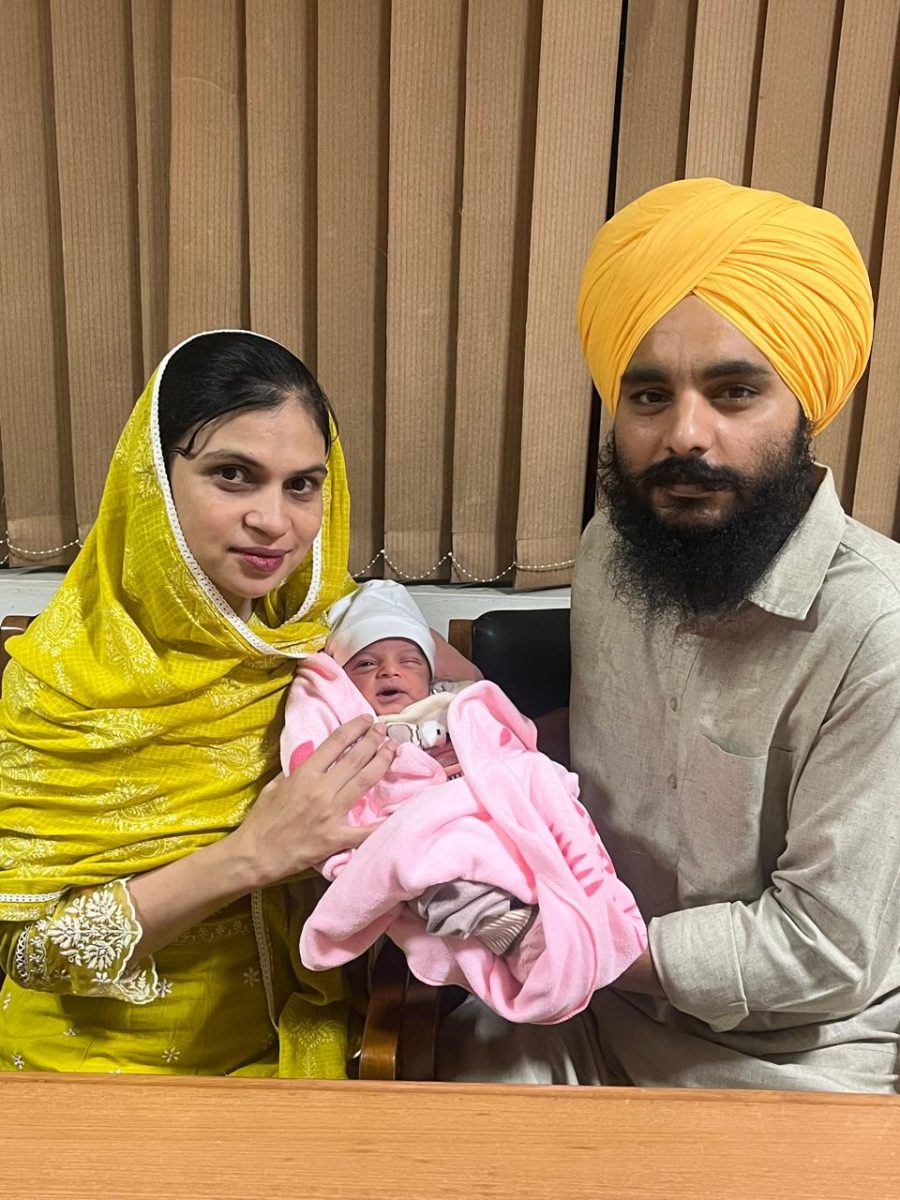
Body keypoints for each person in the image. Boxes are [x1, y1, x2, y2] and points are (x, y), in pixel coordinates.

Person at [568, 176, 900, 1092]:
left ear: (803, 410)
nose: (686, 435)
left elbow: (825, 950)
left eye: (735, 392)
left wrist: (576, 943)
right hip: (586, 1009)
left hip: (800, 1056)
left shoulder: (877, 629)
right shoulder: (609, 551)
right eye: (649, 395)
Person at [0, 329, 404, 1076]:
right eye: (232, 475)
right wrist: (248, 857)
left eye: (302, 485)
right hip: (98, 1070)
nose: (274, 520)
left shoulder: (308, 634)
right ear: (154, 481)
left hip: (298, 1042)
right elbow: (31, 955)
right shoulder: (61, 679)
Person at [281, 579, 647, 1026]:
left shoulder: (455, 706)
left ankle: (573, 908)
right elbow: (347, 802)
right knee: (442, 873)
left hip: (489, 802)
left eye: (409, 661)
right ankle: (516, 935)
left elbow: (510, 748)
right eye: (367, 663)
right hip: (424, 823)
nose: (389, 672)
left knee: (542, 794)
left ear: (429, 676)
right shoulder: (358, 730)